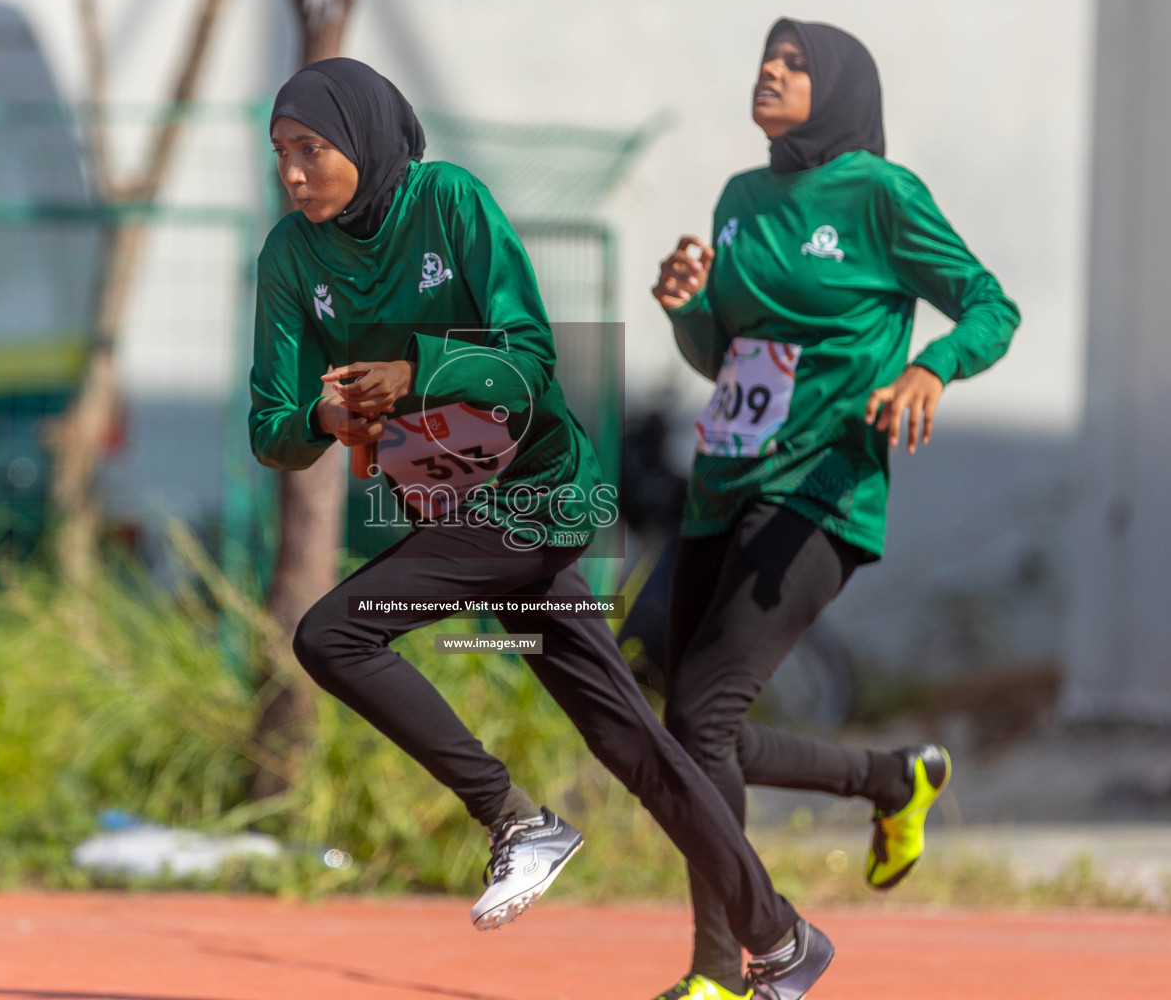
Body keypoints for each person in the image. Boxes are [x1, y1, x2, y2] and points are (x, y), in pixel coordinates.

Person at [251, 58, 812, 972]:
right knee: (632, 739)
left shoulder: (448, 202)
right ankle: (782, 936)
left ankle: (517, 818)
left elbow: (532, 353)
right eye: (280, 153)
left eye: (311, 149)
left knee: (334, 635)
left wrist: (414, 372)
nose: (293, 173)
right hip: (450, 500)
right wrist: (324, 416)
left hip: (536, 492)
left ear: (361, 138)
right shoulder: (289, 255)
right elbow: (269, 426)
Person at [648, 19, 1021, 1000]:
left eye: (797, 62)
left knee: (701, 714)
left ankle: (726, 969)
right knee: (691, 731)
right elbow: (724, 355)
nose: (771, 71)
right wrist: (689, 305)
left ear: (843, 88)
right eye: (767, 58)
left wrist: (931, 368)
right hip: (721, 481)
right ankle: (892, 780)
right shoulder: (738, 198)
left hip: (822, 486)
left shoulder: (880, 195)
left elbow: (988, 304)